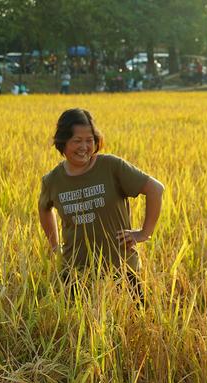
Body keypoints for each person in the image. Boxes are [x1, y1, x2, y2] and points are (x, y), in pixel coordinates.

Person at [38, 108, 164, 300]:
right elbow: (44, 208)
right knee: (76, 327)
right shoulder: (53, 180)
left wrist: (144, 233)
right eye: (77, 141)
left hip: (121, 269)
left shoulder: (111, 166)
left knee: (134, 323)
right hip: (76, 272)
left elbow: (155, 189)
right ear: (63, 142)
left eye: (89, 140)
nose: (84, 147)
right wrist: (54, 246)